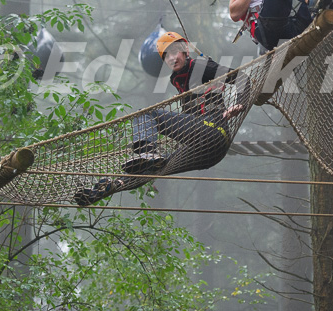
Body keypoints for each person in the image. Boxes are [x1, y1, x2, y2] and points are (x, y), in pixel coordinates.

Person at [74, 32, 249, 206]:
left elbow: (242, 78)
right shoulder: (179, 80)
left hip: (212, 130)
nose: (172, 58)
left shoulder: (201, 66)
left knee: (146, 115)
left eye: (175, 53)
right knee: (156, 167)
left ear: (185, 52)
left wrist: (239, 104)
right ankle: (111, 186)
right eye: (167, 56)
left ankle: (146, 151)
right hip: (211, 153)